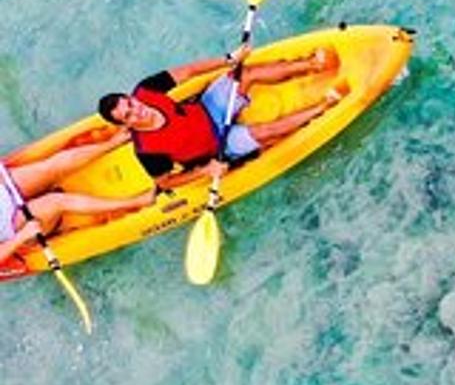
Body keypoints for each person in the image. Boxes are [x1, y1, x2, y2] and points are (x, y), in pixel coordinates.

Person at [97, 44, 348, 180]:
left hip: (208, 108)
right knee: (265, 132)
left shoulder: (146, 89)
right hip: (218, 146)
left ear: (131, 97)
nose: (137, 111)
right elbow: (165, 181)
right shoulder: (147, 151)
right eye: (128, 116)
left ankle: (312, 64)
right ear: (126, 126)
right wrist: (207, 171)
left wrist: (230, 58)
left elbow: (189, 71)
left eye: (131, 104)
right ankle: (322, 107)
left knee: (245, 74)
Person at [0, 133, 157, 267]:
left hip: (6, 192)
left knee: (51, 166)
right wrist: (22, 236)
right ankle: (136, 202)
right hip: (14, 225)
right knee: (56, 201)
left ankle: (112, 143)